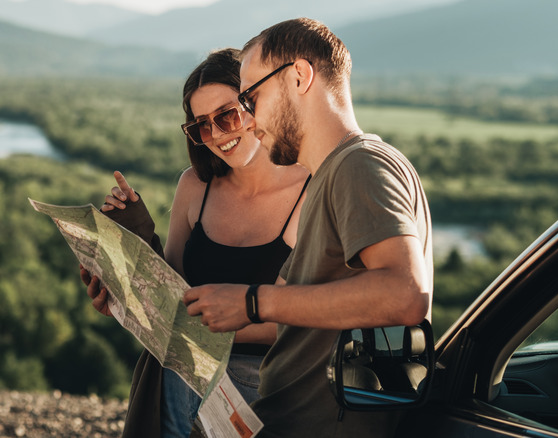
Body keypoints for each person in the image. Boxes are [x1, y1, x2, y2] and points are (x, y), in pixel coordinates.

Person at [182, 18, 433, 437]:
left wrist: (251, 302)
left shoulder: (360, 165)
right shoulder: (330, 176)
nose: (246, 116)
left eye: (251, 96)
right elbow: (305, 314)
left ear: (299, 77)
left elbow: (406, 295)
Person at [80, 48, 311, 438]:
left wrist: (190, 325)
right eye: (202, 125)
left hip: (267, 380)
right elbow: (174, 293)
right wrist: (125, 267)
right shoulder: (194, 185)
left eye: (227, 114)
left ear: (256, 102)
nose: (218, 134)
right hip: (185, 370)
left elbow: (301, 323)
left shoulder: (310, 190)